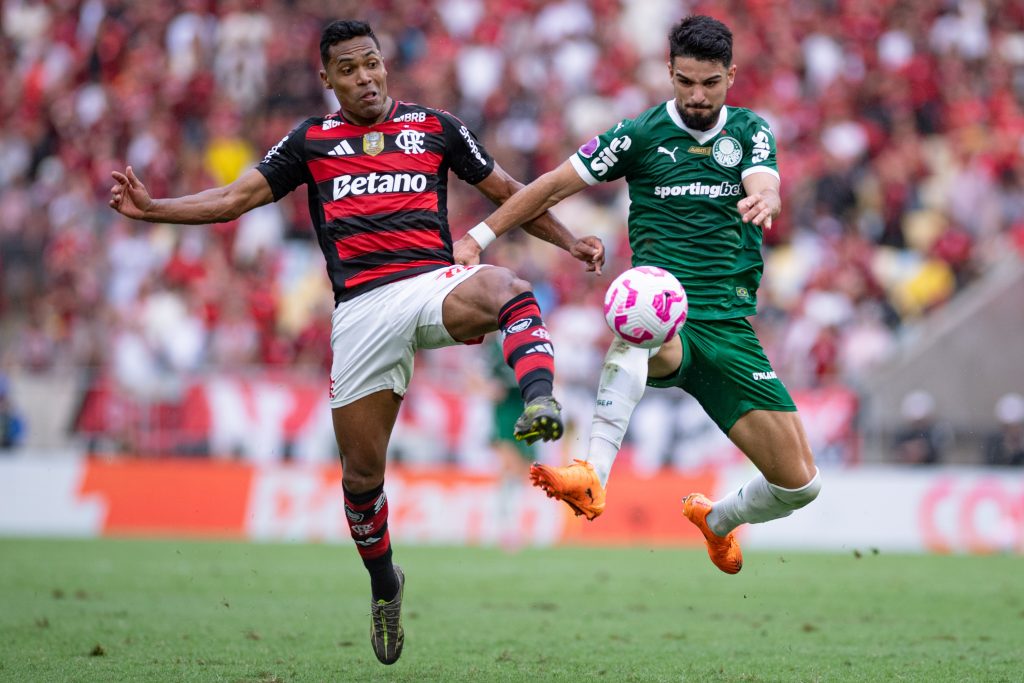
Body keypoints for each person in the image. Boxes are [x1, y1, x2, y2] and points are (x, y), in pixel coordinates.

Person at [109, 19, 603, 665]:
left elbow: (509, 193)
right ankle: (385, 582)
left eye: (372, 63)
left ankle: (541, 401)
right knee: (361, 479)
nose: (365, 77)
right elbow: (235, 198)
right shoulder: (310, 141)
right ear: (327, 78)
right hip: (362, 312)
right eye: (350, 69)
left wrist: (570, 241)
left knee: (508, 286)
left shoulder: (436, 127)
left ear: (384, 65)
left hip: (431, 282)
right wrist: (154, 209)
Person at [455, 15, 821, 575]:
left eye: (710, 83)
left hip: (730, 327)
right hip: (665, 311)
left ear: (731, 76)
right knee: (640, 318)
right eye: (686, 81)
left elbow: (763, 180)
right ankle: (592, 472)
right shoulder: (638, 136)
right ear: (669, 72)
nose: (697, 96)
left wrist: (766, 198)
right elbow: (550, 185)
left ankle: (716, 521)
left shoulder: (750, 130)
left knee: (800, 485)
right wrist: (478, 237)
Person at [982, 392, 1024, 466]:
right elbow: (990, 466)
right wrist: (1007, 451)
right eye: (1008, 427)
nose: (1013, 430)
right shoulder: (993, 443)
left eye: (1016, 426)